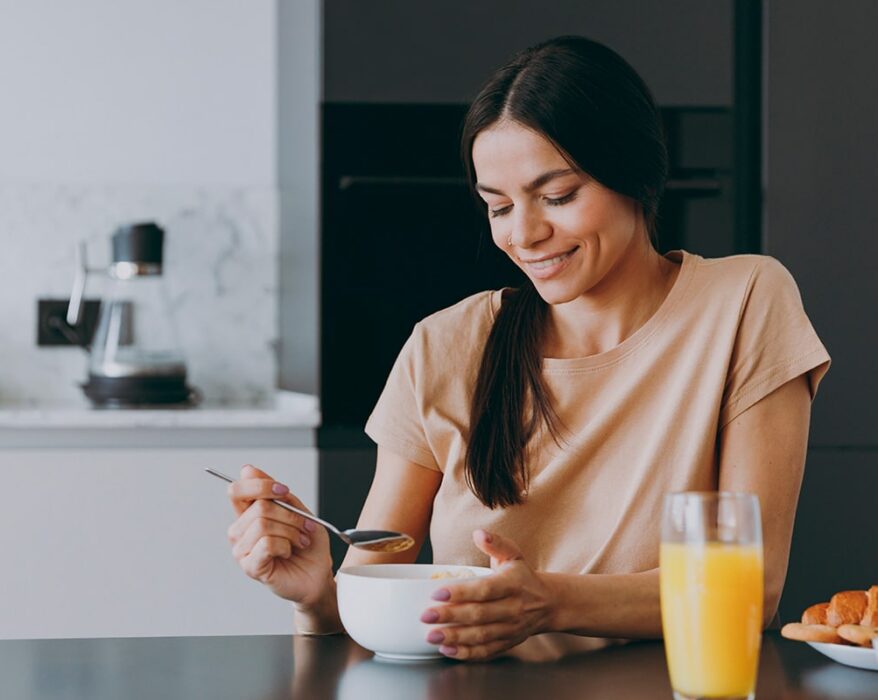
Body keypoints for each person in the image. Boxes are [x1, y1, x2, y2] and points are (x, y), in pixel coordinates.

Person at [225, 35, 830, 661]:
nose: (525, 234)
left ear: (633, 173)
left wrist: (550, 603)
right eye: (498, 206)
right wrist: (316, 594)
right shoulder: (444, 344)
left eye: (558, 196)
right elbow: (377, 590)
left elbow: (749, 587)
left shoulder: (745, 300)